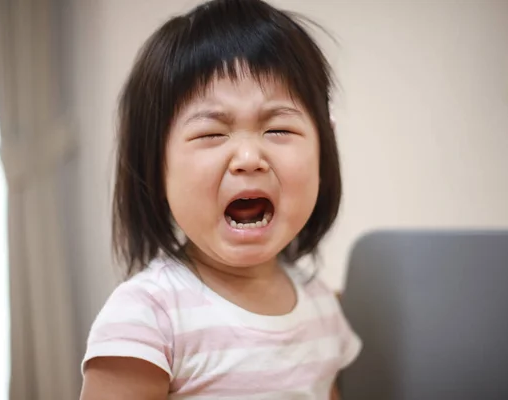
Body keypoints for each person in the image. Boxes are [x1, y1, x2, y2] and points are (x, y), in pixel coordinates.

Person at [80, 0, 361, 398]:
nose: (249, 159)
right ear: (156, 168)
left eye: (278, 128)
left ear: (323, 154)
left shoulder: (321, 307)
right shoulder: (147, 317)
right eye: (212, 133)